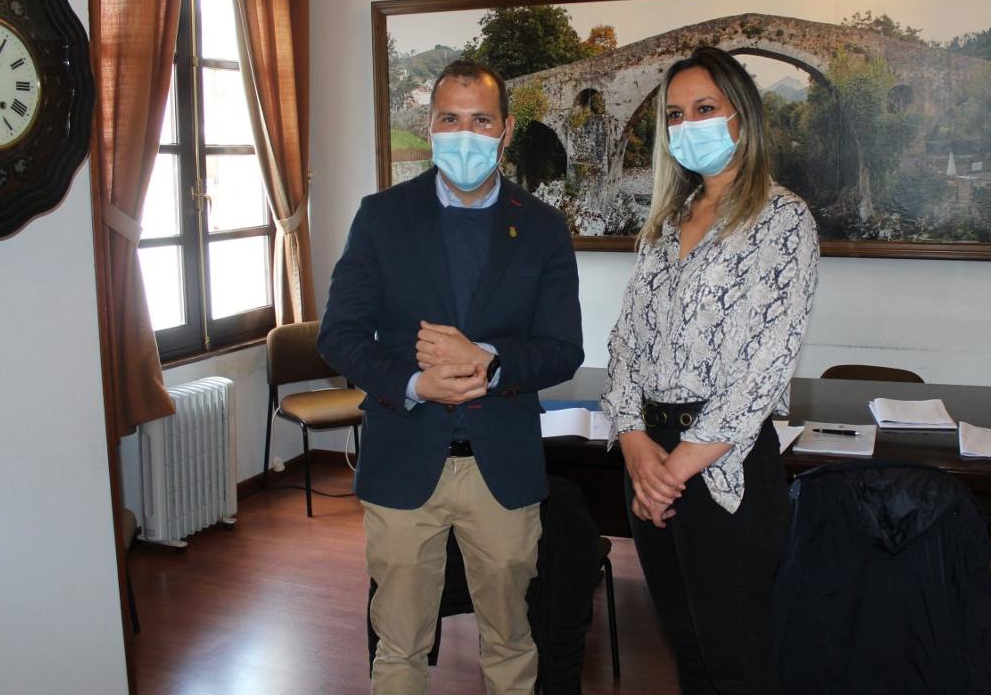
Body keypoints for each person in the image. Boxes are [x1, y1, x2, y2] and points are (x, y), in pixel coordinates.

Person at [318, 58, 584, 695]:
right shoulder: (381, 217)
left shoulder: (543, 228)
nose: (464, 134)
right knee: (399, 647)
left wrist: (486, 363)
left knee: (511, 643)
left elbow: (562, 349)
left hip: (503, 470)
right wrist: (415, 384)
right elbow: (341, 335)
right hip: (404, 463)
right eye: (449, 119)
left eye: (480, 120)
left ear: (506, 130)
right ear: (429, 125)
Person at [600, 46, 819, 694]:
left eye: (704, 108)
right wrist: (638, 447)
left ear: (741, 118)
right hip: (651, 462)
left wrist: (673, 468)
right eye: (674, 113)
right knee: (688, 653)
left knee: (739, 661)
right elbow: (625, 346)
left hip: (727, 468)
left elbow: (762, 369)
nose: (687, 123)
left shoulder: (783, 219)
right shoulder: (667, 223)